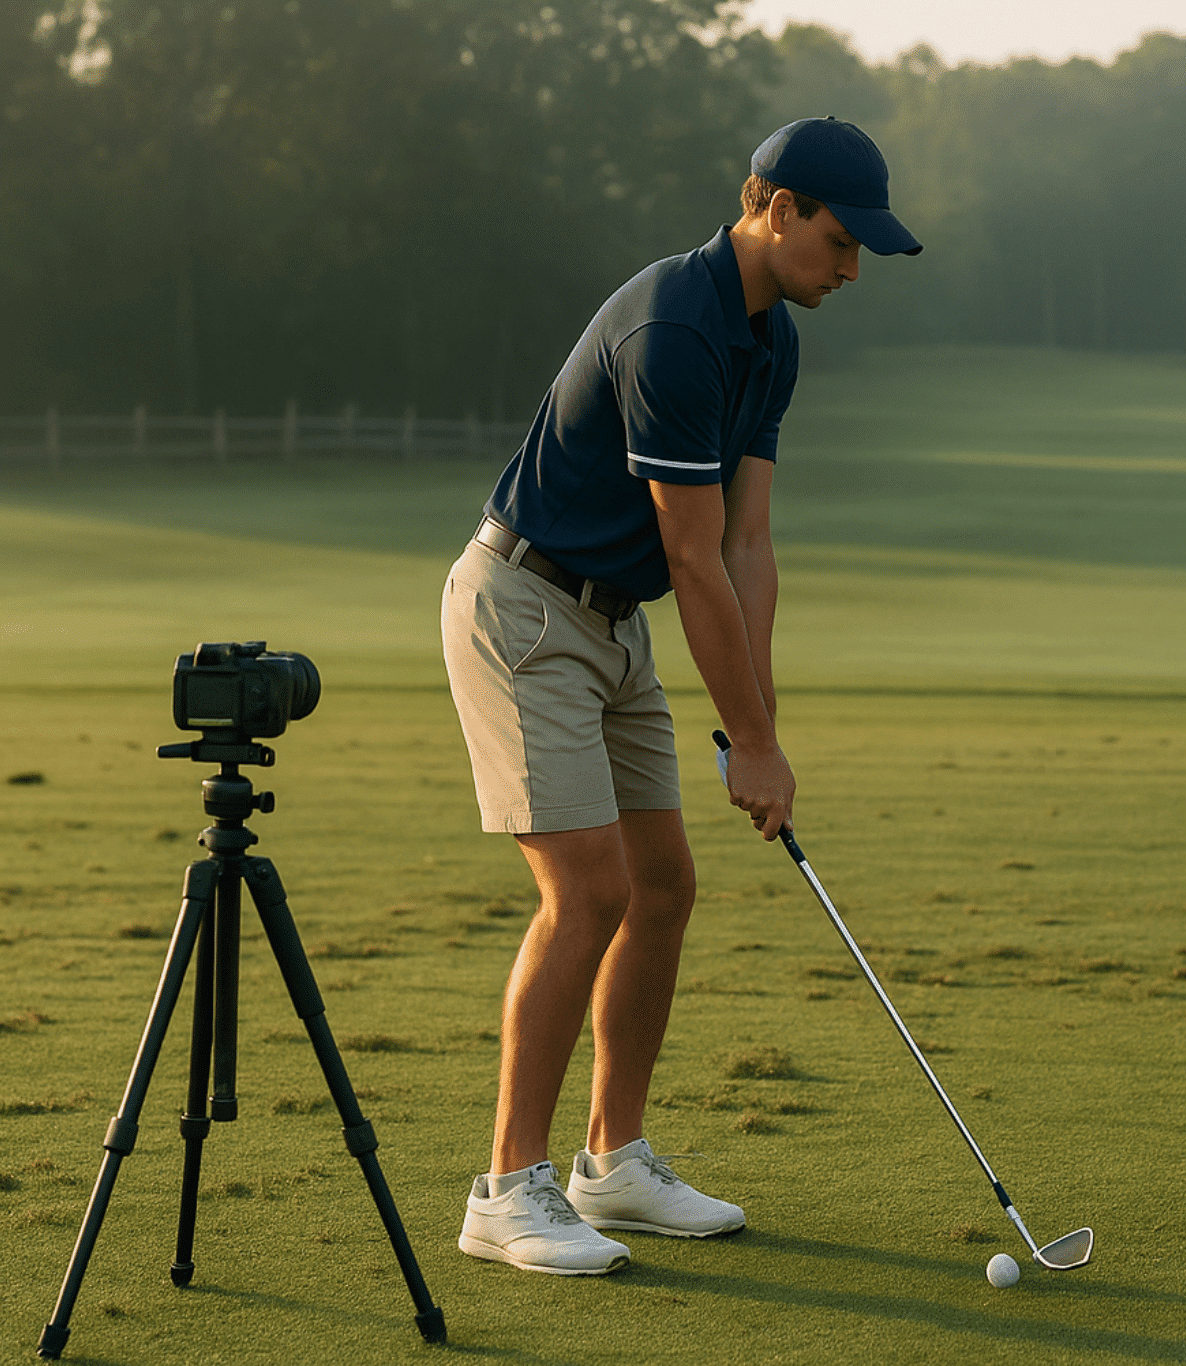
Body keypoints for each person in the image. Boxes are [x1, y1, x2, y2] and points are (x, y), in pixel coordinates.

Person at [439, 118, 921, 1275]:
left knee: (662, 884)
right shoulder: (673, 328)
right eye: (840, 241)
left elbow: (751, 548)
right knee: (588, 889)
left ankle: (614, 1163)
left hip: (614, 624)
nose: (850, 270)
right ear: (770, 204)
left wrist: (754, 727)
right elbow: (694, 555)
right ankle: (506, 1188)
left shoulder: (771, 340)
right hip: (524, 609)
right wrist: (749, 741)